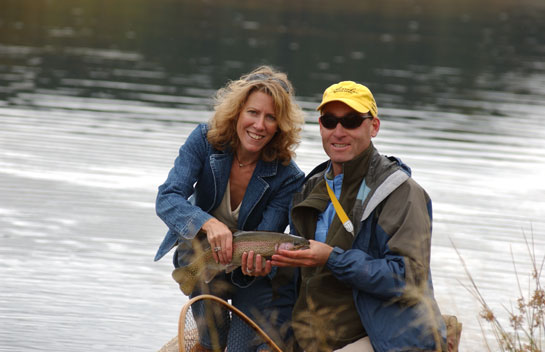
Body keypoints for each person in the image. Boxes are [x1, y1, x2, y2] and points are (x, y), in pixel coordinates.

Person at [270, 81, 447, 352]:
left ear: (373, 127)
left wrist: (332, 258)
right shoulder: (309, 188)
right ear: (320, 126)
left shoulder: (401, 192)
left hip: (383, 341)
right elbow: (290, 282)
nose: (338, 132)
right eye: (330, 121)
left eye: (351, 121)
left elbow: (408, 278)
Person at [154, 66, 305, 352]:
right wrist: (208, 223)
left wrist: (258, 266)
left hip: (250, 274)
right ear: (237, 112)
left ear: (280, 126)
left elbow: (266, 236)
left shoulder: (290, 178)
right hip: (201, 259)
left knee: (239, 349)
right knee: (213, 342)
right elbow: (167, 198)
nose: (259, 125)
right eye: (253, 112)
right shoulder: (204, 140)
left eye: (271, 118)